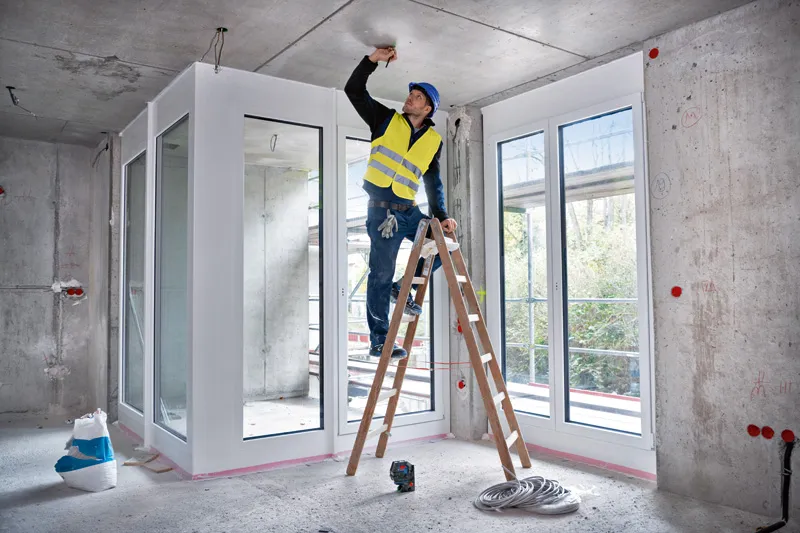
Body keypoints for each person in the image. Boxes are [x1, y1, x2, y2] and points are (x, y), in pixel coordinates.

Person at [345, 46, 458, 359]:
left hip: (410, 212)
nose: (410, 98)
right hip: (382, 214)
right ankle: (379, 340)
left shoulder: (433, 141)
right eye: (411, 94)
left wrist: (442, 216)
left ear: (428, 109)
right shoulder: (384, 119)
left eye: (417, 97)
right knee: (379, 275)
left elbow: (432, 181)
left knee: (446, 247)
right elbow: (354, 90)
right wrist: (372, 61)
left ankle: (402, 288)